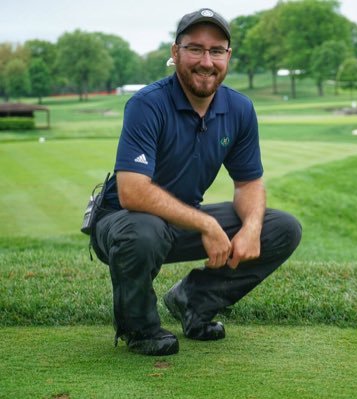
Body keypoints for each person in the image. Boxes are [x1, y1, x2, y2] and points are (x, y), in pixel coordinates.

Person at [91, 8, 302, 356]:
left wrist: (250, 226)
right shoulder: (147, 104)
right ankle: (139, 328)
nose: (207, 61)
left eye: (216, 50)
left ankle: (194, 301)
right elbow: (132, 192)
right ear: (175, 53)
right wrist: (205, 223)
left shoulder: (240, 109)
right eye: (195, 49)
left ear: (228, 56)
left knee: (281, 228)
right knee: (143, 231)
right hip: (122, 224)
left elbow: (249, 183)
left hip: (181, 221)